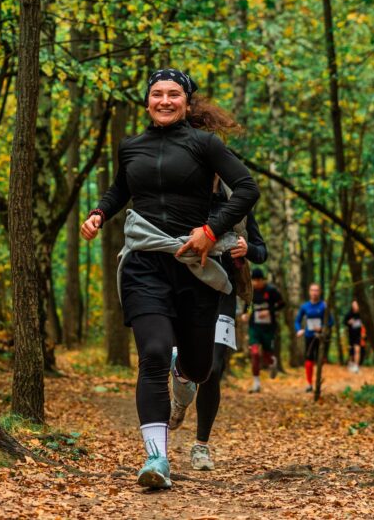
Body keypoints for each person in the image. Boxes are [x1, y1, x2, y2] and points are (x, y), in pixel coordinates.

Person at [80, 68, 259, 489]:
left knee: (198, 366)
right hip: (145, 262)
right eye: (156, 94)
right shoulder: (130, 146)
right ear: (147, 102)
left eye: (173, 94)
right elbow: (121, 188)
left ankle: (185, 373)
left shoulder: (205, 145)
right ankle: (156, 460)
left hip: (193, 264)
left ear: (187, 102)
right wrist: (99, 213)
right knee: (154, 353)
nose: (164, 101)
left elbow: (247, 188)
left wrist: (211, 230)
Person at [170, 194, 268, 471]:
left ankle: (201, 446)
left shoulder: (239, 206)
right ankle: (181, 393)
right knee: (187, 363)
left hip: (224, 293)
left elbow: (261, 252)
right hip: (186, 288)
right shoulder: (187, 194)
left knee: (214, 369)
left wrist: (246, 248)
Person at [242, 269, 284, 393]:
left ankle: (272, 362)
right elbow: (247, 305)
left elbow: (282, 304)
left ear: (263, 280)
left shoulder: (271, 291)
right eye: (254, 280)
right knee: (254, 353)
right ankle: (256, 383)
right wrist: (245, 314)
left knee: (267, 355)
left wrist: (269, 311)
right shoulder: (252, 291)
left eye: (259, 280)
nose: (256, 283)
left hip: (269, 328)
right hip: (254, 327)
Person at [294, 283, 331, 392]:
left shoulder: (324, 306)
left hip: (321, 337)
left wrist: (323, 327)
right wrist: (299, 330)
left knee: (320, 360)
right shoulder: (305, 306)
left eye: (317, 290)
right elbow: (297, 321)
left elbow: (330, 321)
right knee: (309, 360)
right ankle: (309, 384)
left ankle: (318, 382)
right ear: (309, 292)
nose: (314, 293)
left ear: (320, 292)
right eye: (312, 290)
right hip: (309, 336)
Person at [344, 300, 365, 373]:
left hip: (359, 336)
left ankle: (356, 365)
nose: (355, 306)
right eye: (354, 305)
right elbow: (344, 322)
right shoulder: (349, 314)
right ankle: (351, 364)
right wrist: (349, 322)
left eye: (357, 304)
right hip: (351, 335)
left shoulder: (362, 314)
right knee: (351, 351)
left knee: (357, 350)